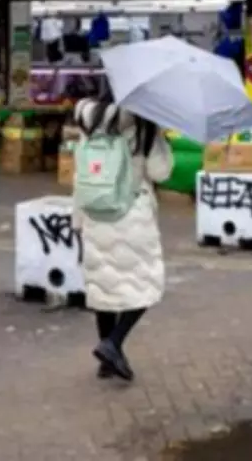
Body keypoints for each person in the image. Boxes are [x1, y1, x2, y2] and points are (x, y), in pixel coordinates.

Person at [72, 91, 173, 383]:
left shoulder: (88, 121)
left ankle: (108, 361)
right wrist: (161, 139)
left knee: (104, 285)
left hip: (93, 212)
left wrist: (76, 220)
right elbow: (160, 172)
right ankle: (113, 343)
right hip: (131, 215)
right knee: (147, 283)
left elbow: (82, 170)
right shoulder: (144, 123)